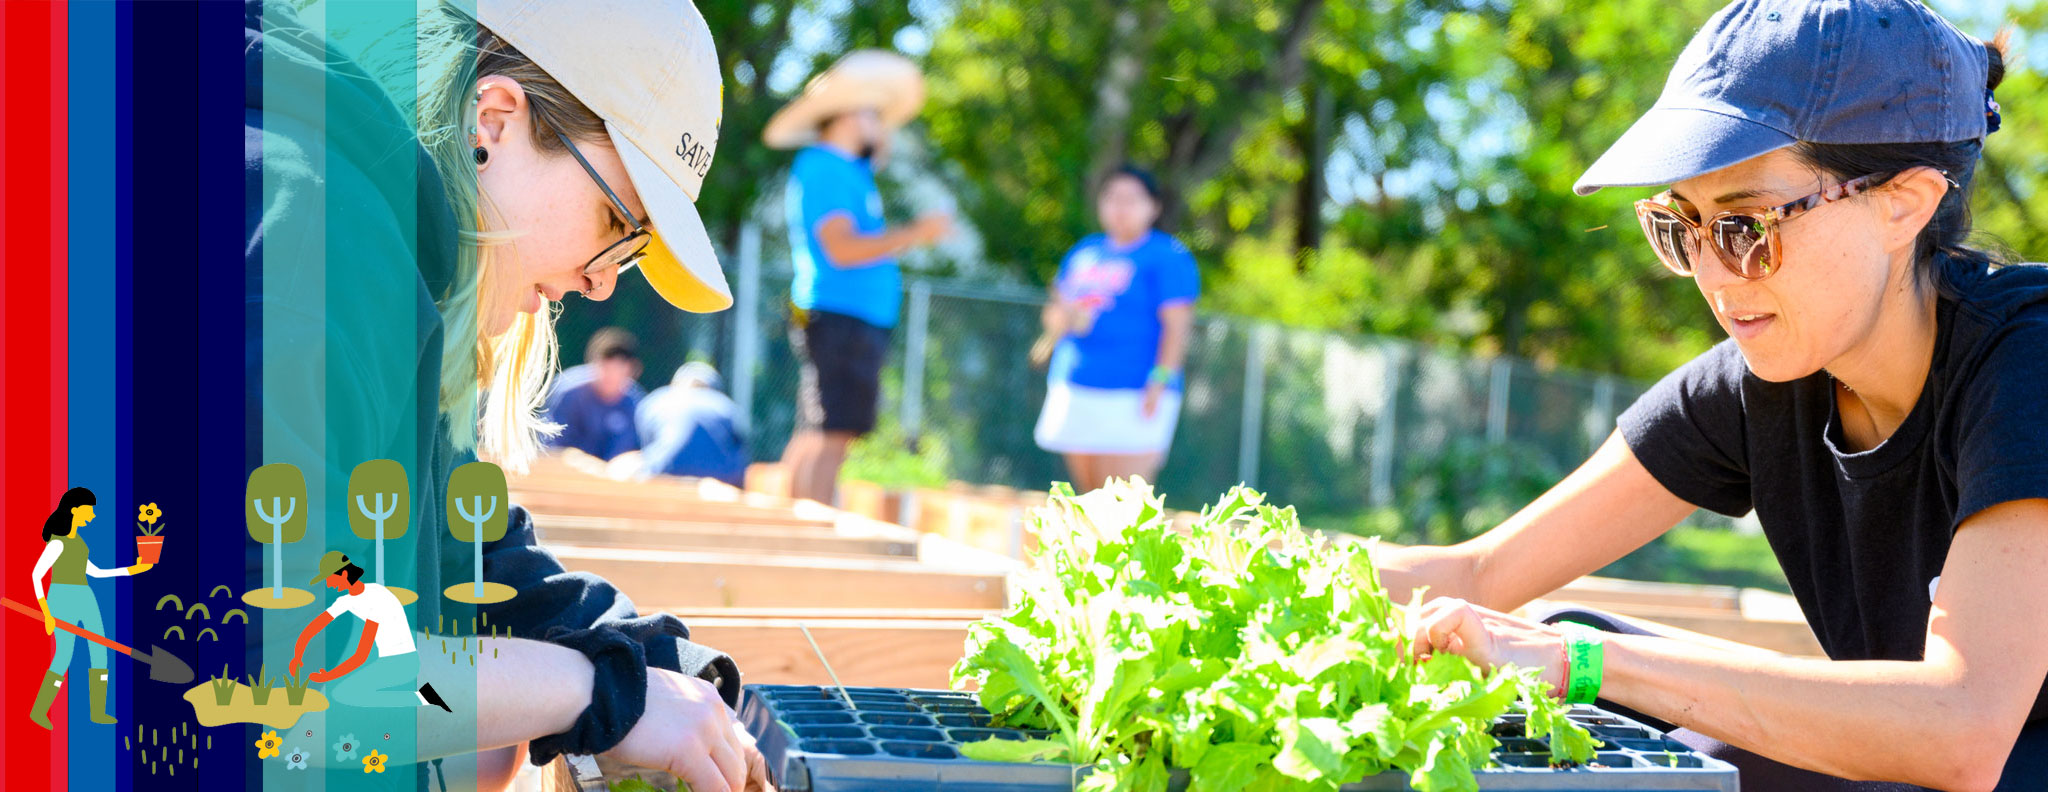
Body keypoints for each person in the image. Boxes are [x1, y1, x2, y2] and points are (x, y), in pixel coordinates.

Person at [1376, 1, 2047, 789]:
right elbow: (1480, 574)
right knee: (1575, 637)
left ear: (1904, 202)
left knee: (1580, 655)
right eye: (1681, 227)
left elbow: (1962, 730)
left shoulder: (2027, 361)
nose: (1714, 275)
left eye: (1747, 226)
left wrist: (1580, 662)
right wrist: (1223, 579)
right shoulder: (1774, 372)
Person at [243, 1, 770, 790]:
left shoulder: (393, 255)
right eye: (619, 224)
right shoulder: (316, 242)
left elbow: (472, 557)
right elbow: (274, 675)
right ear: (492, 121)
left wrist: (659, 665)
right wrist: (591, 690)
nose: (599, 281)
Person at [761, 49, 952, 505]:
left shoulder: (848, 168)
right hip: (839, 312)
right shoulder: (824, 166)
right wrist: (916, 234)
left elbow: (877, 149)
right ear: (845, 116)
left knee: (824, 426)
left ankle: (801, 523)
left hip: (850, 314)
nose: (880, 122)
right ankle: (812, 527)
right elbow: (841, 249)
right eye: (870, 112)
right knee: (831, 430)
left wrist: (873, 116)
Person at [1032, 166, 1198, 491]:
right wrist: (1063, 317)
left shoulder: (1167, 256)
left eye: (1131, 199)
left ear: (1154, 207)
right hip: (1078, 385)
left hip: (1134, 391)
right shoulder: (1084, 251)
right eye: (1112, 197)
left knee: (1124, 504)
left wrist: (1160, 380)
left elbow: (1177, 327)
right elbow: (1055, 317)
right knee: (1089, 500)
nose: (1120, 207)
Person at [27, 487, 154, 728]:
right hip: (62, 598)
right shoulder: (57, 543)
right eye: (90, 510)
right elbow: (36, 575)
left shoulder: (79, 541)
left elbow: (95, 572)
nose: (93, 515)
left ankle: (98, 712)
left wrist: (132, 570)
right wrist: (46, 613)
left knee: (100, 650)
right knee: (64, 655)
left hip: (86, 596)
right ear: (75, 510)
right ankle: (39, 711)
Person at [290, 552, 452, 713]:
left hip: (401, 663)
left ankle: (423, 698)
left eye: (330, 578)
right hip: (385, 660)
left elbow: (361, 656)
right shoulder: (347, 600)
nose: (329, 584)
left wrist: (328, 676)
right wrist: (298, 655)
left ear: (344, 573)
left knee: (343, 694)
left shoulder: (375, 598)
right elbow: (315, 626)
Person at [545, 327, 647, 467]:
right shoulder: (568, 394)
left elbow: (633, 453)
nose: (610, 375)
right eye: (605, 367)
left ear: (633, 369)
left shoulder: (636, 404)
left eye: (617, 369)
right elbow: (552, 447)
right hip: (565, 474)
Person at [637, 362, 749, 486]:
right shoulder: (727, 406)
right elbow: (740, 451)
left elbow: (645, 447)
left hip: (662, 475)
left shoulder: (655, 400)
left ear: (674, 384)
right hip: (719, 482)